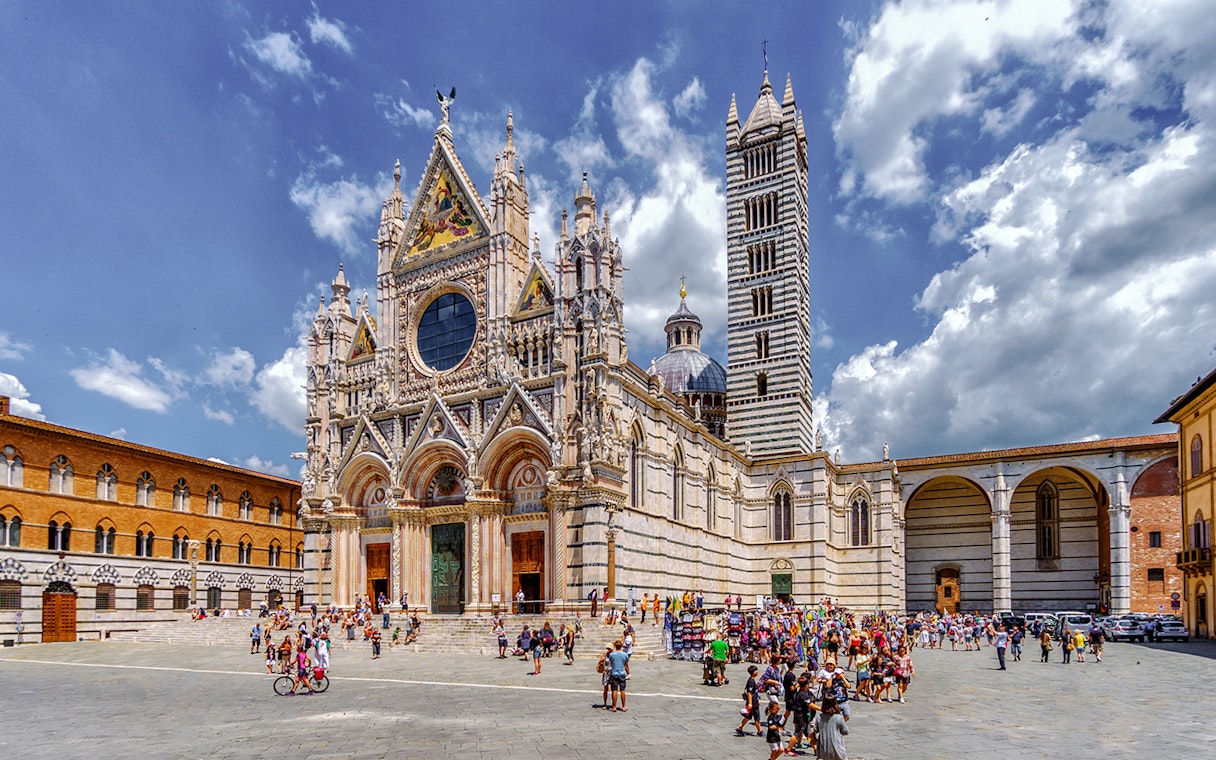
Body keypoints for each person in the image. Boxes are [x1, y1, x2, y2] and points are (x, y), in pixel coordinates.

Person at [734, 664, 764, 736]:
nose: (757, 672)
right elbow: (750, 693)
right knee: (757, 717)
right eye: (756, 671)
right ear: (753, 672)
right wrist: (750, 703)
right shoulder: (751, 681)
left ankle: (739, 728)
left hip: (754, 701)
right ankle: (760, 731)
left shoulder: (752, 680)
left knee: (748, 716)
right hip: (753, 703)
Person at [606, 639, 630, 712]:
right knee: (622, 690)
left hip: (614, 673)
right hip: (622, 673)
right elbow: (626, 665)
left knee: (614, 690)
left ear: (615, 646)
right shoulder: (625, 655)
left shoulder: (612, 655)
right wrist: (628, 672)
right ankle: (623, 706)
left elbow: (611, 662)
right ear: (621, 646)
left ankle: (614, 707)